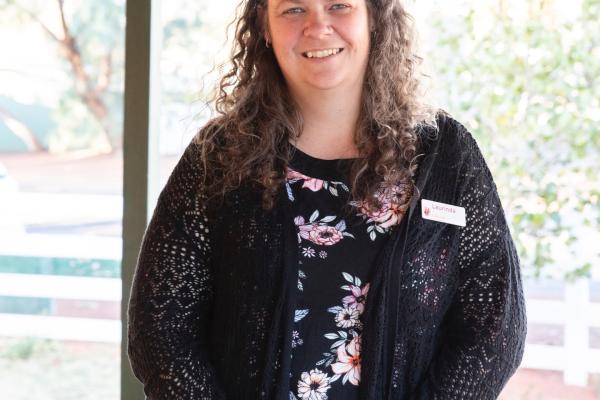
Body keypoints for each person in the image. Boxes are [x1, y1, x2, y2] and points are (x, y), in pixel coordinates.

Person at [127, 0, 527, 398]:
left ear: (374, 19)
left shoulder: (446, 155)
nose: (318, 27)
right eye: (293, 9)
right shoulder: (217, 157)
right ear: (264, 26)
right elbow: (161, 325)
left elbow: (494, 327)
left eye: (338, 5)